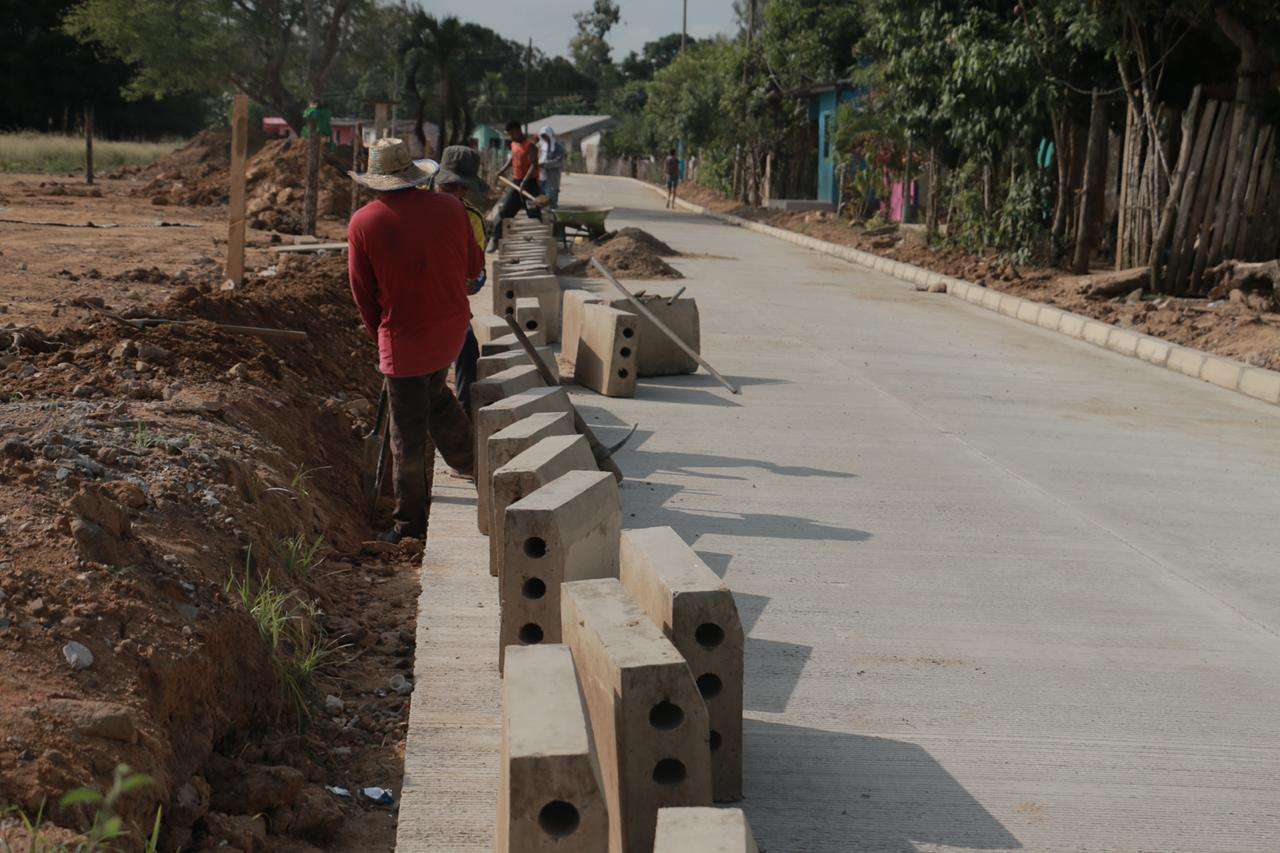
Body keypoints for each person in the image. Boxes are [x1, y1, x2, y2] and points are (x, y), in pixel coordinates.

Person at [346, 138, 483, 542]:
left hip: (406, 339)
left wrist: (383, 338)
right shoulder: (452, 209)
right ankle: (472, 458)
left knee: (406, 437)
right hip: (452, 331)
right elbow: (474, 268)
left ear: (374, 181)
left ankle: (409, 526)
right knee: (434, 393)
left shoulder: (364, 222)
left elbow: (362, 294)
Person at [431, 145, 489, 417]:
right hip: (412, 297)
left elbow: (476, 274)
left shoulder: (473, 219)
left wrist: (466, 283)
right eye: (449, 186)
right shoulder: (417, 208)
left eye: (460, 188)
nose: (454, 193)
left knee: (466, 347)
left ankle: (464, 414)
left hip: (449, 301)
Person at [490, 120, 541, 249]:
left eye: (511, 133)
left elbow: (534, 166)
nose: (510, 137)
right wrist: (501, 171)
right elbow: (512, 159)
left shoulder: (530, 146)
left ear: (518, 130)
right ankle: (495, 240)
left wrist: (524, 181)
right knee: (505, 212)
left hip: (530, 183)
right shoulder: (513, 144)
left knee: (534, 214)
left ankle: (538, 243)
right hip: (516, 183)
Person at [537, 126, 566, 208]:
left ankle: (552, 219)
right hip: (540, 179)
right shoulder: (539, 146)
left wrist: (544, 164)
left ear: (550, 135)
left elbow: (558, 162)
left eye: (546, 136)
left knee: (551, 203)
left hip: (552, 180)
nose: (544, 138)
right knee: (540, 203)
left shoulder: (558, 148)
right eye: (543, 136)